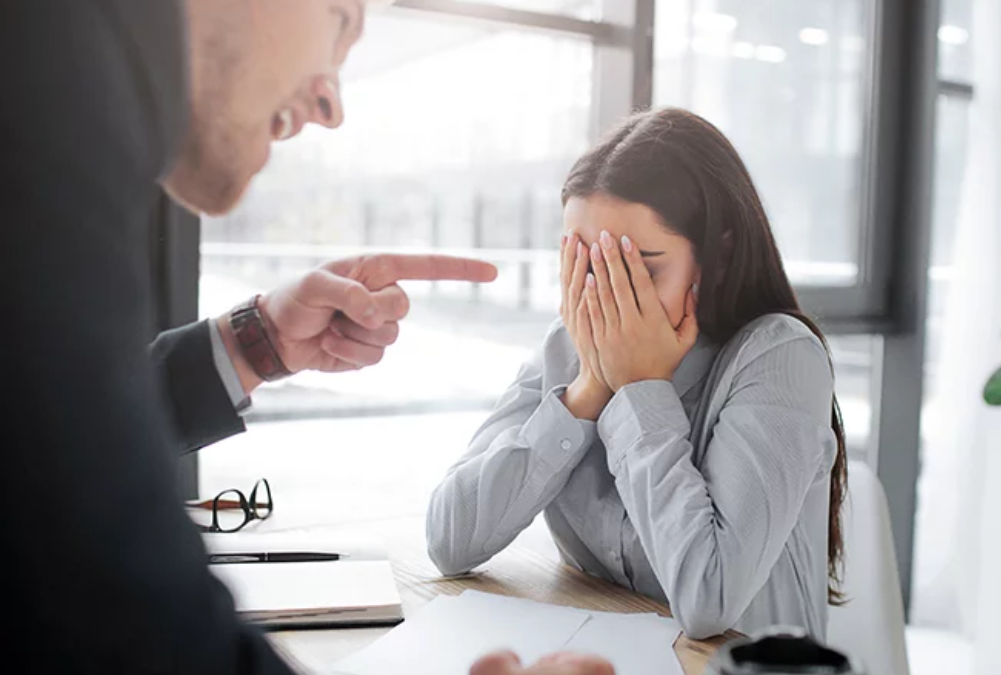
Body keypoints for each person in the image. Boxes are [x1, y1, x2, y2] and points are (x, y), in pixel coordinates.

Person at [1, 1, 610, 674]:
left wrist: (251, 342)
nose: (332, 106)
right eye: (342, 19)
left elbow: (48, 437)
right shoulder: (50, 89)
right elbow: (109, 600)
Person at [427, 108, 850, 641]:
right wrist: (586, 393)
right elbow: (449, 540)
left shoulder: (779, 357)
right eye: (586, 266)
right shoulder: (570, 343)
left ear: (716, 254)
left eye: (641, 269)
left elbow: (708, 600)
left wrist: (638, 390)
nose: (607, 298)